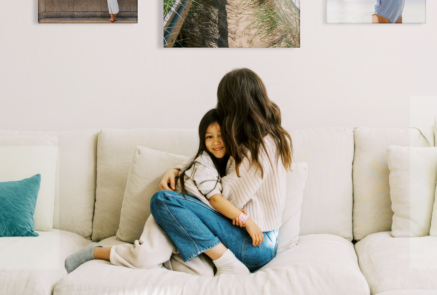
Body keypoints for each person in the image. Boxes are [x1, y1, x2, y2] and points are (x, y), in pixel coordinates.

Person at [63, 105, 268, 276]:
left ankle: (167, 257)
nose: (215, 142)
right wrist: (245, 220)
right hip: (170, 215)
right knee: (142, 259)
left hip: (191, 228)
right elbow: (214, 200)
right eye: (209, 137)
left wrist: (175, 169)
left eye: (221, 136)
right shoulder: (204, 163)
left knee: (203, 274)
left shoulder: (228, 163)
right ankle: (95, 252)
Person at [153, 68, 291, 276]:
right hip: (253, 238)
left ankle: (225, 262)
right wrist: (178, 169)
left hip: (254, 243)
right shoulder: (254, 138)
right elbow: (211, 154)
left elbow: (227, 198)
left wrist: (193, 181)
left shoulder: (263, 145)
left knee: (163, 200)